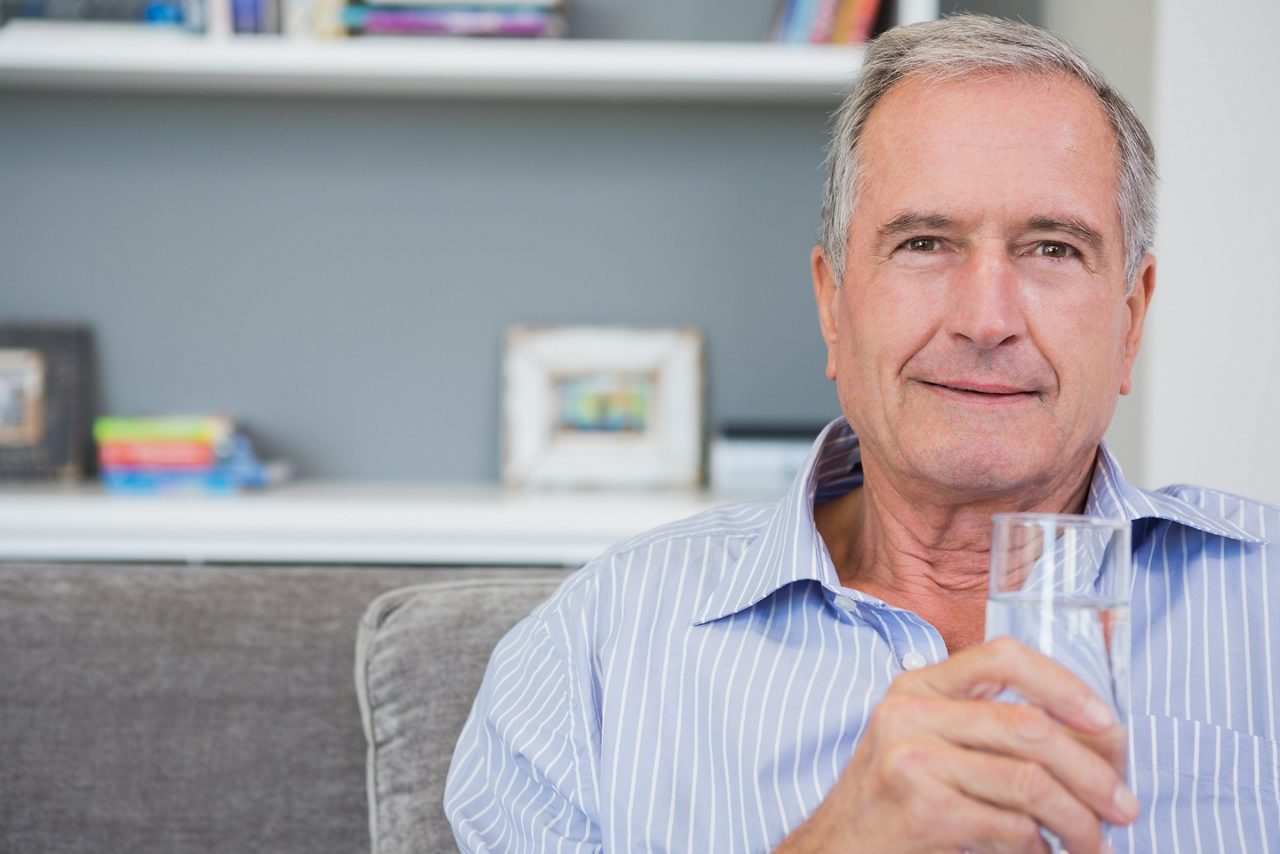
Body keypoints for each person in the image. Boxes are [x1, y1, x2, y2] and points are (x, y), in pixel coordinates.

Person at [445, 15, 1279, 853]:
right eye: (923, 242)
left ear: (1130, 318)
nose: (986, 320)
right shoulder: (593, 648)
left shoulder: (1263, 611)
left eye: (1052, 249)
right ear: (831, 304)